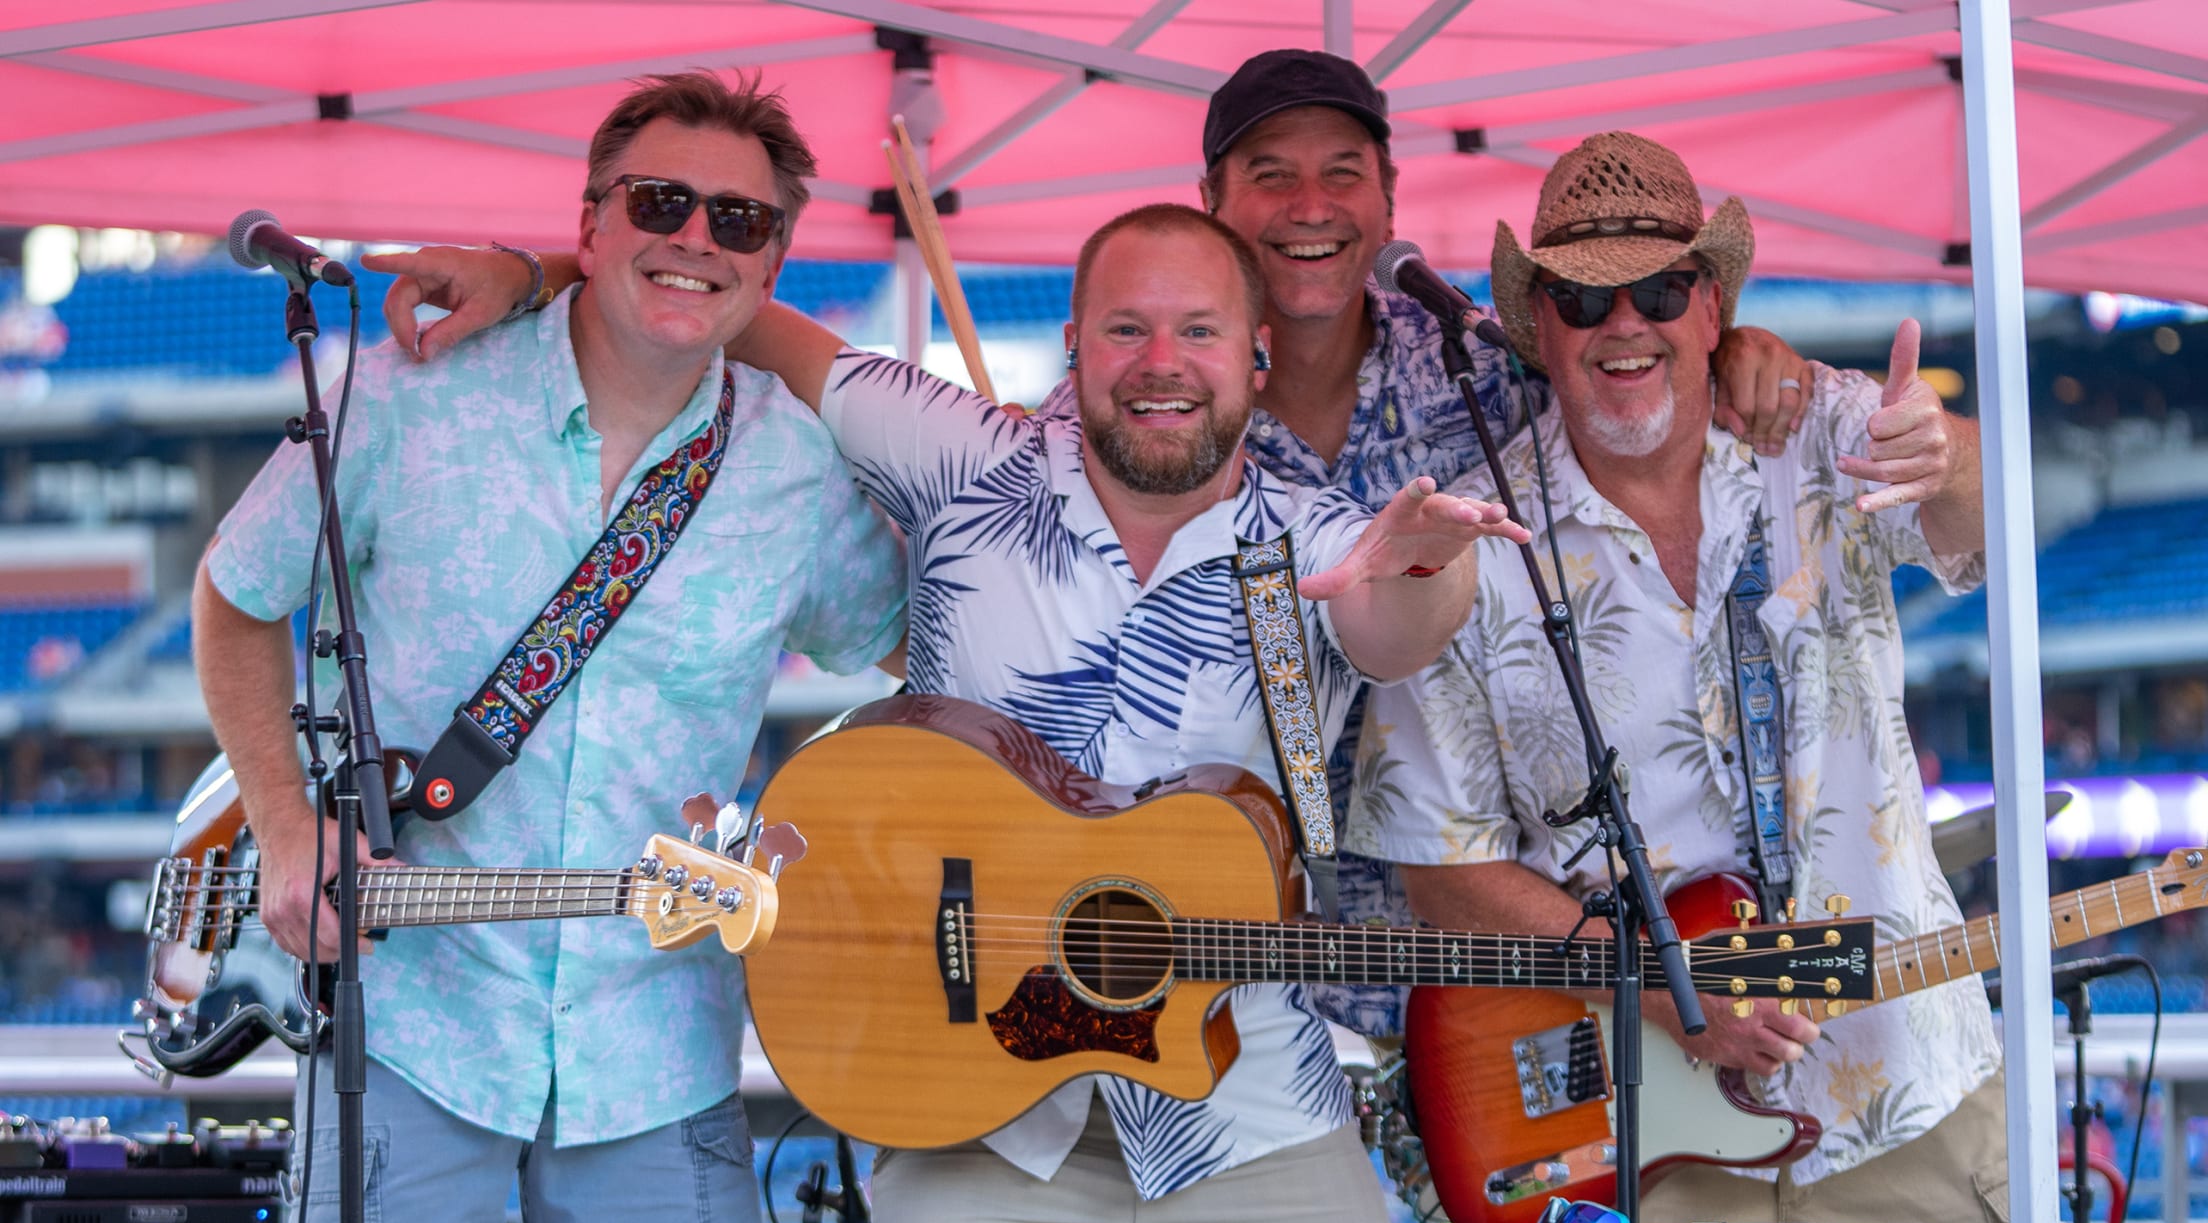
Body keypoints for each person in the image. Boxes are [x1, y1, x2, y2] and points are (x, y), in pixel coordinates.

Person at [367, 47, 1815, 1042]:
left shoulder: (1494, 372)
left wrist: (1744, 353)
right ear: (1209, 214)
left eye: (1341, 174)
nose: (1309, 207)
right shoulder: (1008, 451)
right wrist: (545, 264)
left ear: (1384, 196)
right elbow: (734, 297)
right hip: (1167, 1006)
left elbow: (1627, 374)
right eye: (1269, 175)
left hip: (1450, 988)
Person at [191, 72, 906, 1223]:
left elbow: (926, 655)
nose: (695, 240)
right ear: (588, 225)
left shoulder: (803, 473)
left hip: (661, 1055)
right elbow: (235, 597)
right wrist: (281, 821)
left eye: (739, 220)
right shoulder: (406, 400)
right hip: (412, 1029)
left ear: (773, 265)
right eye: (660, 202)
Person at [737, 202, 1524, 1223]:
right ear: (1074, 346)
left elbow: (1396, 630)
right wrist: (529, 277)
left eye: (1198, 331)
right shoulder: (961, 458)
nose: (1163, 363)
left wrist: (1430, 560)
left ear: (1256, 357)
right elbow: (733, 310)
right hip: (978, 1112)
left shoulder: (1318, 541)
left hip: (1250, 1113)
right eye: (1126, 330)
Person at [1346, 131, 2004, 1223]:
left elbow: (1987, 535)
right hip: (1648, 1149)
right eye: (1583, 298)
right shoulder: (1468, 543)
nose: (1625, 325)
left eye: (1659, 287)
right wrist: (1661, 988)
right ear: (1536, 328)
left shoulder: (1823, 430)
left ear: (1712, 312)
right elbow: (1442, 870)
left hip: (1908, 1092)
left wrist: (1949, 459)